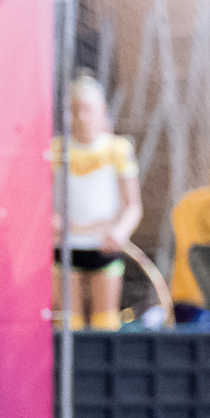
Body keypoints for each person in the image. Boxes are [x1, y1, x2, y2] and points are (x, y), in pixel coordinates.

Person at [54, 74, 143, 330]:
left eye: (87, 110)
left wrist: (120, 231)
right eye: (74, 110)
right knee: (70, 323)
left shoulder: (118, 150)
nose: (81, 117)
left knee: (106, 321)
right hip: (66, 245)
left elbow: (133, 206)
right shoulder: (57, 151)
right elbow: (39, 202)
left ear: (101, 110)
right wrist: (52, 220)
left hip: (104, 246)